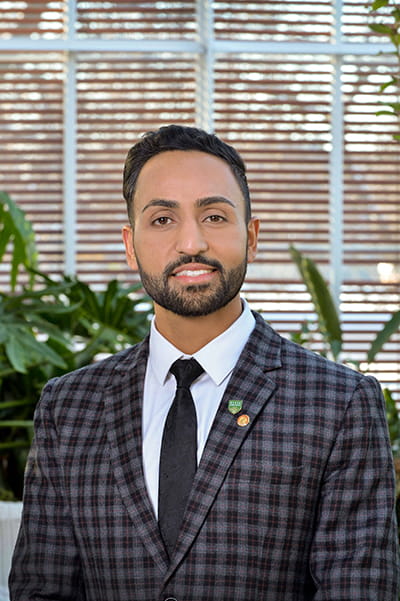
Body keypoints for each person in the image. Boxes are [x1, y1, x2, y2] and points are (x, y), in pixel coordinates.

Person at [9, 124, 399, 600]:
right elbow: (41, 591)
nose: (190, 242)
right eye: (162, 220)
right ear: (130, 245)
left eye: (214, 217)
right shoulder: (68, 407)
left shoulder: (340, 404)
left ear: (251, 237)